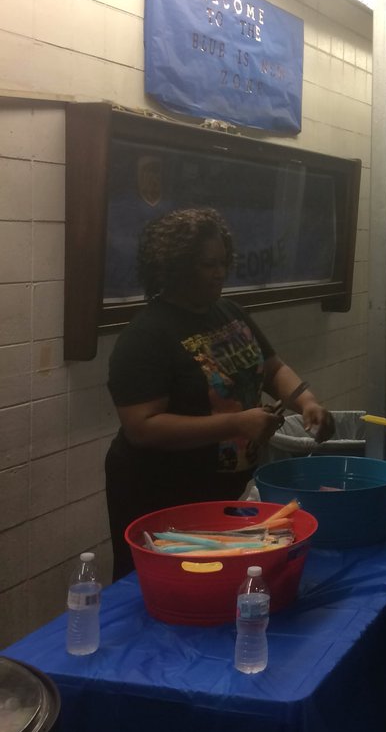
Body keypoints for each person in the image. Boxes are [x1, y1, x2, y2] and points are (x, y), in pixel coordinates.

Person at [105, 207, 333, 579]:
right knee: (171, 585)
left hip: (220, 489)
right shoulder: (146, 335)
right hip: (161, 492)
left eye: (223, 262)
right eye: (206, 265)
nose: (219, 273)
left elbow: (273, 368)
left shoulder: (228, 312)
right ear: (174, 268)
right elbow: (141, 427)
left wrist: (306, 400)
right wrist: (237, 423)